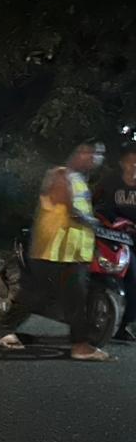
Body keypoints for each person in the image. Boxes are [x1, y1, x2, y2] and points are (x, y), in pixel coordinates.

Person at [0, 142, 109, 360]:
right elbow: (70, 207)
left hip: (73, 252)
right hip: (53, 251)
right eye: (90, 152)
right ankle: (4, 331)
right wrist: (93, 222)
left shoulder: (79, 179)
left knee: (75, 300)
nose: (95, 158)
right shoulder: (60, 175)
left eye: (99, 154)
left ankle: (80, 346)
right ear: (77, 153)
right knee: (37, 296)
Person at [93, 144, 136, 342]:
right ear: (122, 163)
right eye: (131, 162)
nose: (134, 166)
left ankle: (124, 323)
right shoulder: (110, 180)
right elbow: (93, 201)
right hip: (109, 235)